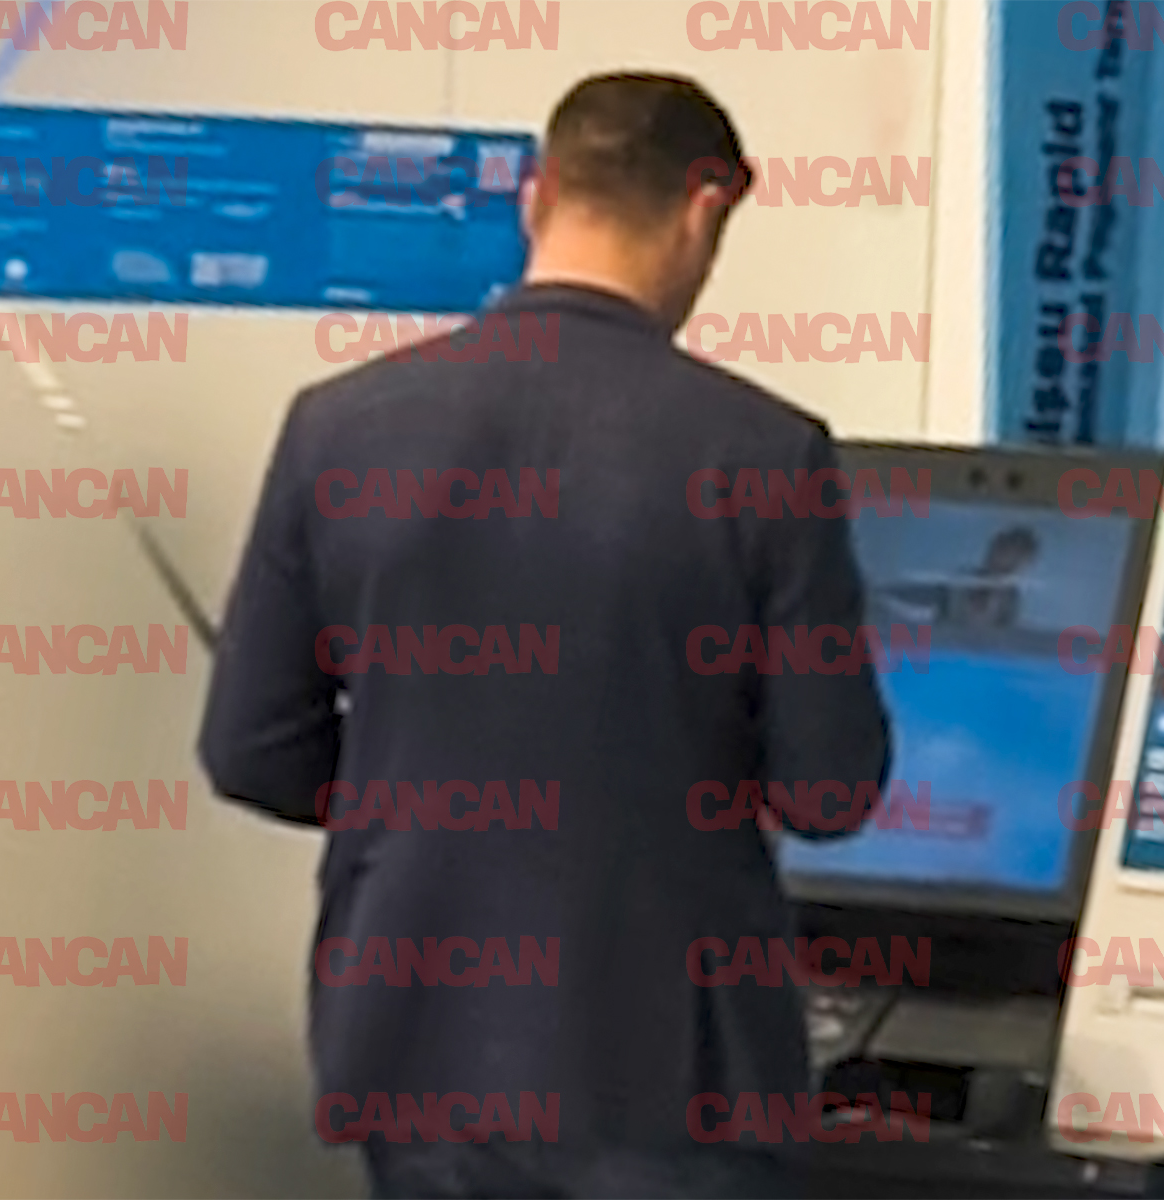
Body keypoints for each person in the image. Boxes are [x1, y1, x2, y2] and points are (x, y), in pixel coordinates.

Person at [198, 72, 890, 1199]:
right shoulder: (764, 453)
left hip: (417, 1040)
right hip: (674, 1068)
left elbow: (250, 749)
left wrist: (421, 799)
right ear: (705, 208)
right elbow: (830, 788)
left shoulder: (340, 429)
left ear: (537, 197)